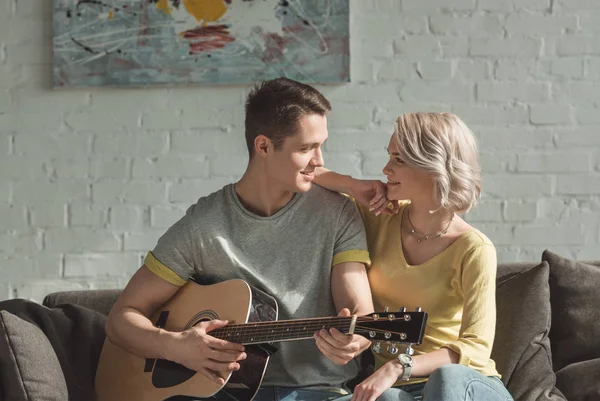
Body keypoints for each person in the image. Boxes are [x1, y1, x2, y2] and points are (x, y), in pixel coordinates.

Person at [104, 77, 374, 401]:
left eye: (321, 145)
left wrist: (358, 336)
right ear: (263, 146)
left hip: (319, 391)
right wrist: (176, 347)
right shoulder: (204, 226)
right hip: (225, 393)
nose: (319, 160)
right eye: (306, 148)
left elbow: (359, 306)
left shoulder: (338, 213)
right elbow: (122, 318)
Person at [313, 112, 514, 401]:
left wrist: (399, 365)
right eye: (389, 157)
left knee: (446, 379)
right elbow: (304, 174)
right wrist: (352, 185)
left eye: (398, 160)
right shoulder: (377, 220)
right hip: (400, 391)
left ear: (433, 167)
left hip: (467, 388)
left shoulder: (473, 249)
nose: (385, 168)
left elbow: (476, 348)